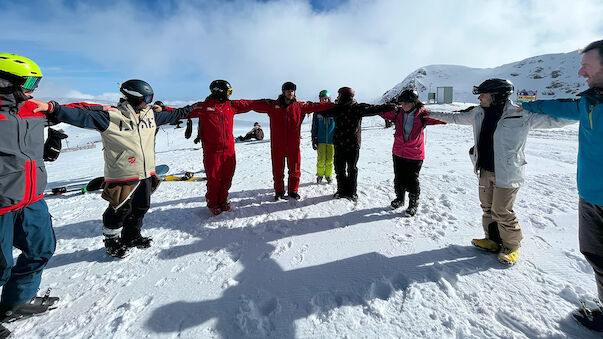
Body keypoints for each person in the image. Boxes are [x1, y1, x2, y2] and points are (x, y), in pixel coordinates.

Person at [0, 54, 107, 327]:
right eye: (30, 81)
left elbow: (80, 111)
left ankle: (16, 302)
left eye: (38, 81)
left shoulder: (32, 110)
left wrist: (104, 108)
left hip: (31, 200)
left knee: (40, 250)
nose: (35, 88)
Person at [34, 79, 193, 258]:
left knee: (141, 207)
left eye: (151, 99)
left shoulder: (151, 115)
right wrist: (53, 108)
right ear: (133, 97)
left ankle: (132, 236)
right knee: (119, 209)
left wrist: (196, 109)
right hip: (123, 173)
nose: (149, 102)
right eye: (146, 99)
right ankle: (112, 241)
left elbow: (176, 114)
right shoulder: (112, 117)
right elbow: (80, 116)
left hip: (146, 171)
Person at [428, 78, 575, 266]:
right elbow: (455, 117)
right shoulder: (478, 113)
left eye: (483, 94)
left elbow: (555, 120)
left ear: (496, 96)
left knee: (502, 210)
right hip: (484, 169)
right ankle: (492, 240)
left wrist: (585, 111)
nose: (480, 97)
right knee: (488, 208)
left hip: (508, 172)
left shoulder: (521, 114)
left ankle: (511, 246)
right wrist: (428, 113)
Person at [520, 39, 603, 331]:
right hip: (590, 197)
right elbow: (555, 107)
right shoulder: (588, 102)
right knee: (596, 256)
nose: (581, 73)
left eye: (587, 66)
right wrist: (525, 102)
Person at [247, 82, 333, 200]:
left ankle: (293, 190)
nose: (290, 92)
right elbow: (252, 104)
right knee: (278, 170)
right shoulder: (273, 105)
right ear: (283, 92)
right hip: (278, 145)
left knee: (295, 169)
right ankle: (279, 192)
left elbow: (316, 106)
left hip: (293, 145)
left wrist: (334, 105)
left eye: (292, 90)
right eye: (288, 90)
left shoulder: (299, 106)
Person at [186, 80, 257, 215]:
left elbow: (250, 104)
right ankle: (212, 203)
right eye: (228, 92)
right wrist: (163, 109)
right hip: (212, 150)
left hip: (229, 149)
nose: (230, 95)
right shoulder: (204, 107)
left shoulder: (230, 106)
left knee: (227, 177)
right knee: (214, 178)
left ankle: (223, 200)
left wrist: (270, 103)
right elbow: (183, 112)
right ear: (220, 92)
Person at [320, 87, 395, 201]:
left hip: (346, 144)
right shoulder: (351, 107)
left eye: (339, 94)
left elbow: (373, 109)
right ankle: (346, 191)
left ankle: (347, 191)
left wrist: (387, 107)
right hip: (350, 144)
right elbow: (374, 109)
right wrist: (388, 107)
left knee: (346, 168)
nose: (338, 97)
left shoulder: (347, 108)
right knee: (347, 168)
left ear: (344, 95)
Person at [380, 89, 444, 216]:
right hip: (398, 151)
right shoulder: (397, 113)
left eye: (407, 103)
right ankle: (399, 199)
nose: (404, 105)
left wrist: (462, 114)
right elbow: (381, 112)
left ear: (414, 103)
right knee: (399, 178)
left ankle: (413, 204)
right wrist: (381, 107)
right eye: (402, 103)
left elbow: (442, 118)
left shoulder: (423, 115)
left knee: (412, 179)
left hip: (415, 153)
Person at [311, 90, 335, 184]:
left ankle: (328, 175)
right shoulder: (317, 112)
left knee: (330, 160)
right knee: (321, 159)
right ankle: (320, 175)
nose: (324, 100)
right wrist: (314, 138)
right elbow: (314, 126)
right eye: (322, 98)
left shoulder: (334, 110)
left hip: (331, 140)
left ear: (329, 99)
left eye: (326, 98)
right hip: (320, 140)